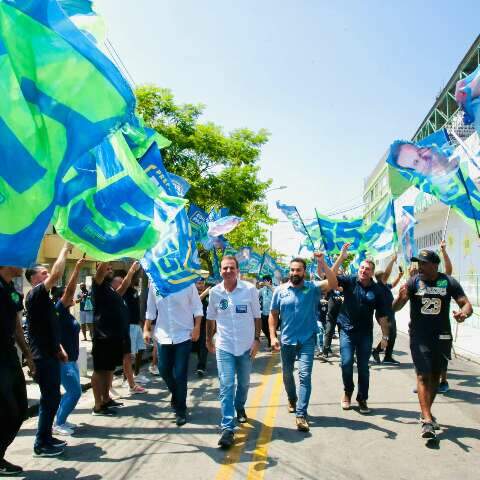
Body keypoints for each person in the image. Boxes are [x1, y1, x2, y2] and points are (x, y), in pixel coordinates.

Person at [393, 249, 472, 439]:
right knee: (423, 375)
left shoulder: (448, 282)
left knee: (436, 376)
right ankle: (427, 420)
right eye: (418, 263)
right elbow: (394, 308)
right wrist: (401, 297)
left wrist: (464, 314)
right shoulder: (414, 282)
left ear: (434, 265)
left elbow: (465, 303)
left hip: (442, 336)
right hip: (419, 336)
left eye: (423, 263)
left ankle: (425, 411)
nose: (419, 266)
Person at [269, 253, 337, 432]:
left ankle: (301, 414)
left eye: (298, 270)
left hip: (307, 339)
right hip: (287, 340)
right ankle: (292, 398)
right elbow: (273, 314)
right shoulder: (280, 290)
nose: (294, 272)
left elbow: (332, 282)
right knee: (287, 375)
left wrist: (322, 262)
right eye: (292, 270)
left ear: (304, 272)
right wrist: (273, 336)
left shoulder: (312, 288)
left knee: (305, 376)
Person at [206, 256, 261, 448]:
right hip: (225, 346)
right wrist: (208, 340)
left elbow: (256, 317)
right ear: (220, 271)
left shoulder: (250, 290)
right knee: (227, 385)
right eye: (224, 268)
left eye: (231, 268)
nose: (228, 271)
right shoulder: (214, 292)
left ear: (237, 270)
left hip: (246, 346)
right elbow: (210, 318)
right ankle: (227, 428)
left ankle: (240, 406)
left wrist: (256, 340)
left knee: (244, 383)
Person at [25, 242, 71, 457]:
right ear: (34, 278)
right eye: (43, 273)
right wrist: (64, 248)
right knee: (50, 398)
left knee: (52, 398)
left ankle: (46, 437)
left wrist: (59, 348)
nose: (48, 275)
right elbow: (57, 272)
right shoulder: (35, 294)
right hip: (41, 357)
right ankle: (41, 443)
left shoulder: (45, 299)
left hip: (49, 354)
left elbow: (47, 328)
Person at [332, 243, 389, 414]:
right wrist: (341, 257)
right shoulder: (349, 281)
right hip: (347, 330)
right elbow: (330, 277)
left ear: (372, 272)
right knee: (347, 363)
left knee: (363, 367)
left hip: (365, 334)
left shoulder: (378, 290)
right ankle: (347, 391)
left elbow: (382, 315)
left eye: (367, 269)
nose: (364, 271)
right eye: (362, 268)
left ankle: (362, 398)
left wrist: (385, 337)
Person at [144, 281, 203, 426]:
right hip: (163, 335)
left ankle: (180, 410)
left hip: (184, 335)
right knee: (163, 370)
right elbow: (151, 309)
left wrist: (197, 327)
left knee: (180, 374)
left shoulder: (187, 282)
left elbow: (197, 307)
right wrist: (146, 328)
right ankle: (177, 395)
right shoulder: (154, 283)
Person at [0, 265, 34, 475]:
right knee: (7, 408)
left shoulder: (11, 289)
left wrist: (28, 355)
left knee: (20, 406)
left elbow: (16, 326)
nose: (24, 263)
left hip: (8, 353)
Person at [91, 262, 132, 416]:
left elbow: (124, 287)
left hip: (114, 337)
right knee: (99, 370)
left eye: (110, 268)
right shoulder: (98, 285)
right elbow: (101, 269)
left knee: (109, 369)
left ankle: (106, 399)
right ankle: (97, 405)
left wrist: (132, 270)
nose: (110, 270)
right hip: (103, 337)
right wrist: (107, 255)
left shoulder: (111, 290)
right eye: (107, 268)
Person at [52, 258, 85, 436]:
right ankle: (58, 423)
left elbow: (76, 296)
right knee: (75, 392)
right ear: (60, 298)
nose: (71, 295)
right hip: (64, 360)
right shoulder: (59, 308)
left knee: (71, 392)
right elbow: (71, 290)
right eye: (67, 294)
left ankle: (61, 419)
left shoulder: (66, 312)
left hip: (72, 359)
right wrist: (77, 268)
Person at [111, 267, 148, 395]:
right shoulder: (123, 291)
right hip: (127, 326)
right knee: (128, 355)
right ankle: (127, 380)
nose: (138, 279)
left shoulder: (133, 290)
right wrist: (134, 269)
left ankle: (134, 376)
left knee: (139, 350)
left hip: (136, 324)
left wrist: (141, 320)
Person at [371, 254, 404, 364]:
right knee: (389, 335)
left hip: (389, 313)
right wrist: (392, 260)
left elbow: (393, 285)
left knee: (392, 335)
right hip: (384, 314)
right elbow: (387, 273)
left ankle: (387, 356)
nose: (387, 277)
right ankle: (377, 352)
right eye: (385, 276)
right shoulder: (379, 285)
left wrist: (399, 277)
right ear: (382, 277)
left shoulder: (384, 286)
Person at [192, 278, 211, 376]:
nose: (201, 285)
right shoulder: (192, 294)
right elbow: (194, 303)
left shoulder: (208, 295)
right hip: (192, 324)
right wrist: (205, 293)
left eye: (202, 283)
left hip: (205, 324)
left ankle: (201, 367)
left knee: (203, 346)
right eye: (198, 283)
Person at [258, 275, 274, 349]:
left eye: (265, 281)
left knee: (271, 329)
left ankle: (272, 345)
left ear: (269, 281)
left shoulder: (274, 288)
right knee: (264, 328)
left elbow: (276, 292)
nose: (263, 282)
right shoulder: (263, 289)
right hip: (264, 312)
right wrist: (258, 286)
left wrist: (269, 286)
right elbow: (256, 295)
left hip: (272, 313)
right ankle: (271, 342)